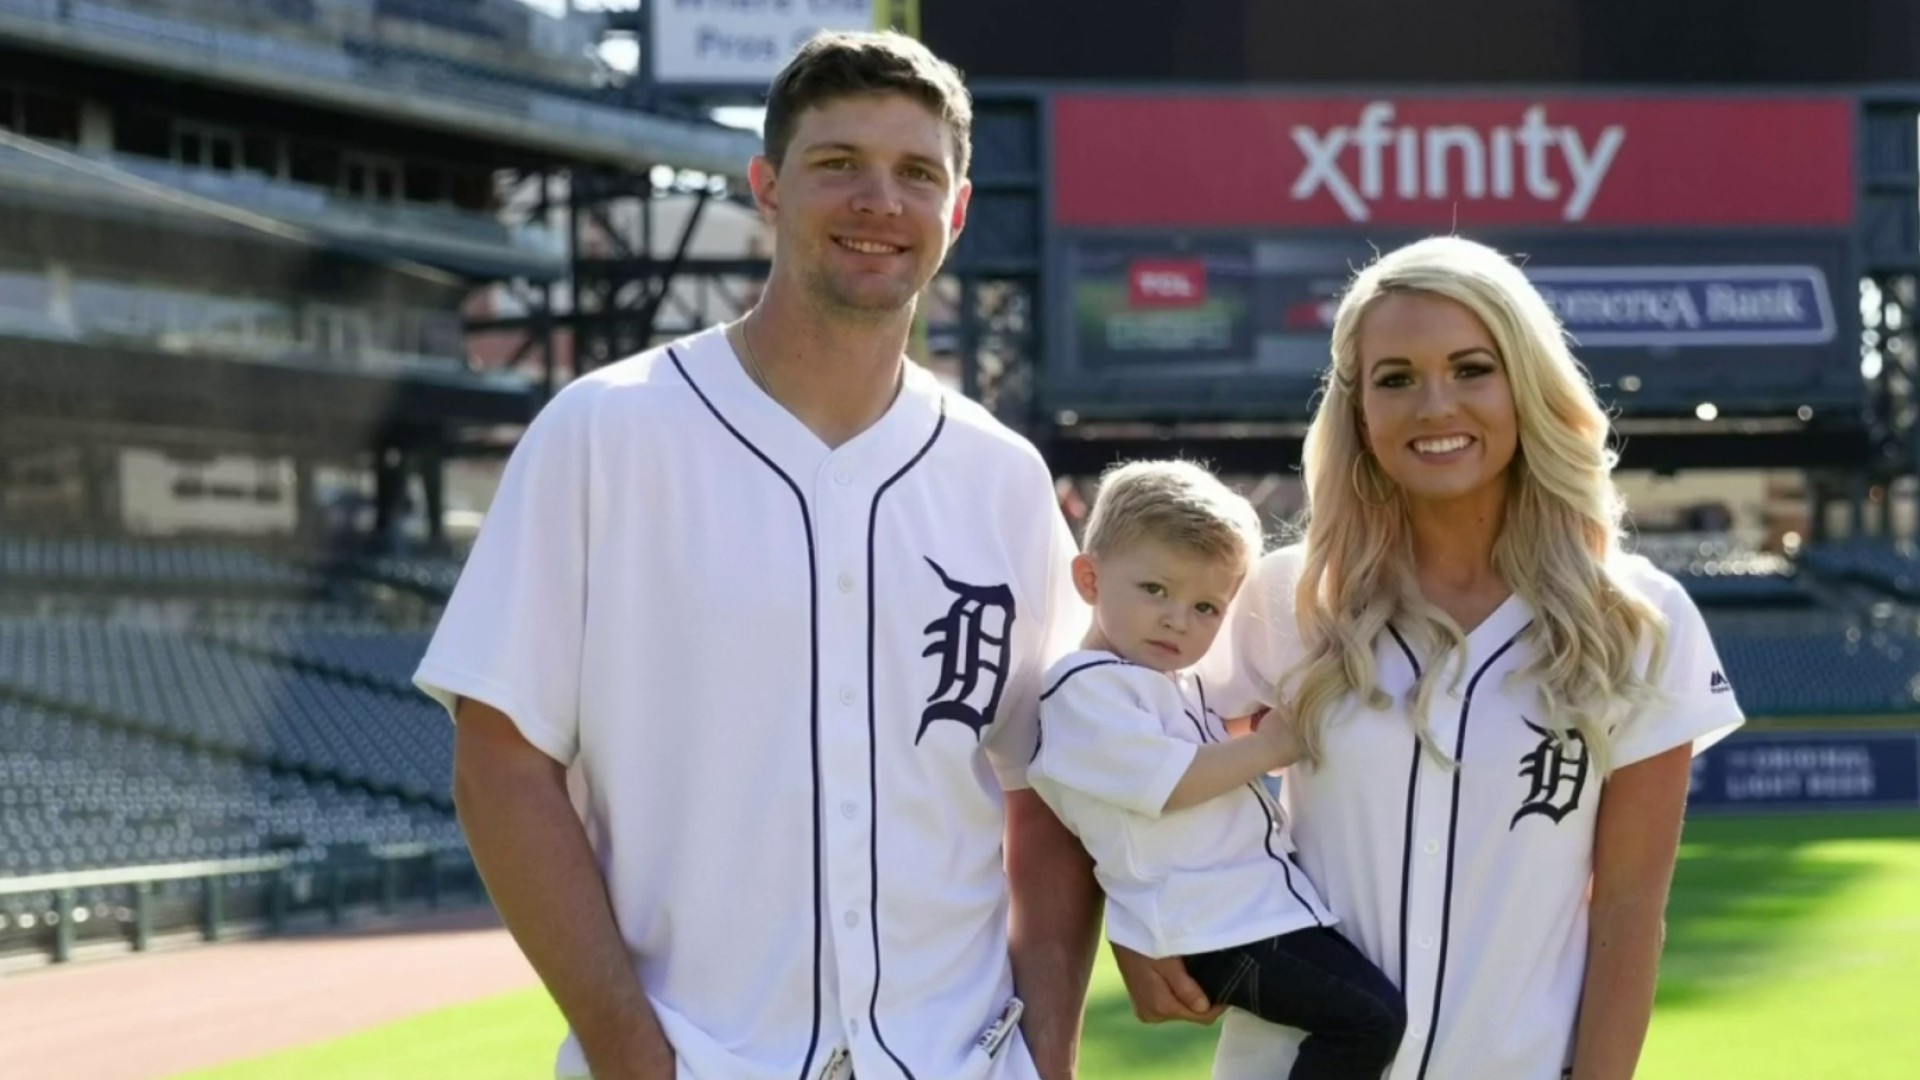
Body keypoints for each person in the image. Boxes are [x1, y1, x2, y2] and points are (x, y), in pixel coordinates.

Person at [413, 31, 1099, 1080]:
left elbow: (1048, 782)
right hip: (700, 1058)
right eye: (838, 166)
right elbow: (501, 761)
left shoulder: (1000, 475)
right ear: (766, 188)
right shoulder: (605, 430)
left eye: (917, 173)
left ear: (955, 212)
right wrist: (632, 1056)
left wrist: (1050, 1046)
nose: (880, 201)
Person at [1112, 236, 1747, 1080]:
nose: (1434, 405)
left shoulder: (1638, 619)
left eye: (1472, 368)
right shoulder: (1284, 597)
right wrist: (1138, 919)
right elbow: (1122, 758)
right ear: (1359, 411)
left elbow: (1628, 908)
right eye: (1396, 378)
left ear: (1526, 383)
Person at [1027, 460, 1406, 1079]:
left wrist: (1242, 734)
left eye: (1206, 607)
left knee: (1371, 1010)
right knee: (1368, 1018)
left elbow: (1195, 751)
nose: (1178, 619)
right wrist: (1267, 748)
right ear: (1090, 578)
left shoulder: (1159, 684)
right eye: (1155, 590)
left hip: (1244, 914)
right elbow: (1170, 782)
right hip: (1210, 928)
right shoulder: (1082, 692)